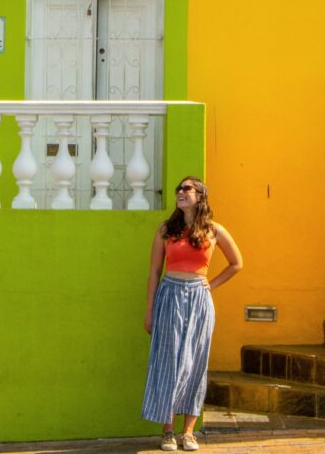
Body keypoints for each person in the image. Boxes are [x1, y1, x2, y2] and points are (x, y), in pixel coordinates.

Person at [142, 176, 243, 452]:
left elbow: (237, 263)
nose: (180, 192)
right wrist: (149, 310)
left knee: (195, 363)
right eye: (179, 189)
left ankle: (189, 432)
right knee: (168, 363)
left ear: (200, 196)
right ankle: (167, 431)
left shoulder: (213, 230)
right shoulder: (166, 229)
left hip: (199, 298)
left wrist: (210, 285)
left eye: (187, 188)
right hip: (169, 295)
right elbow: (153, 272)